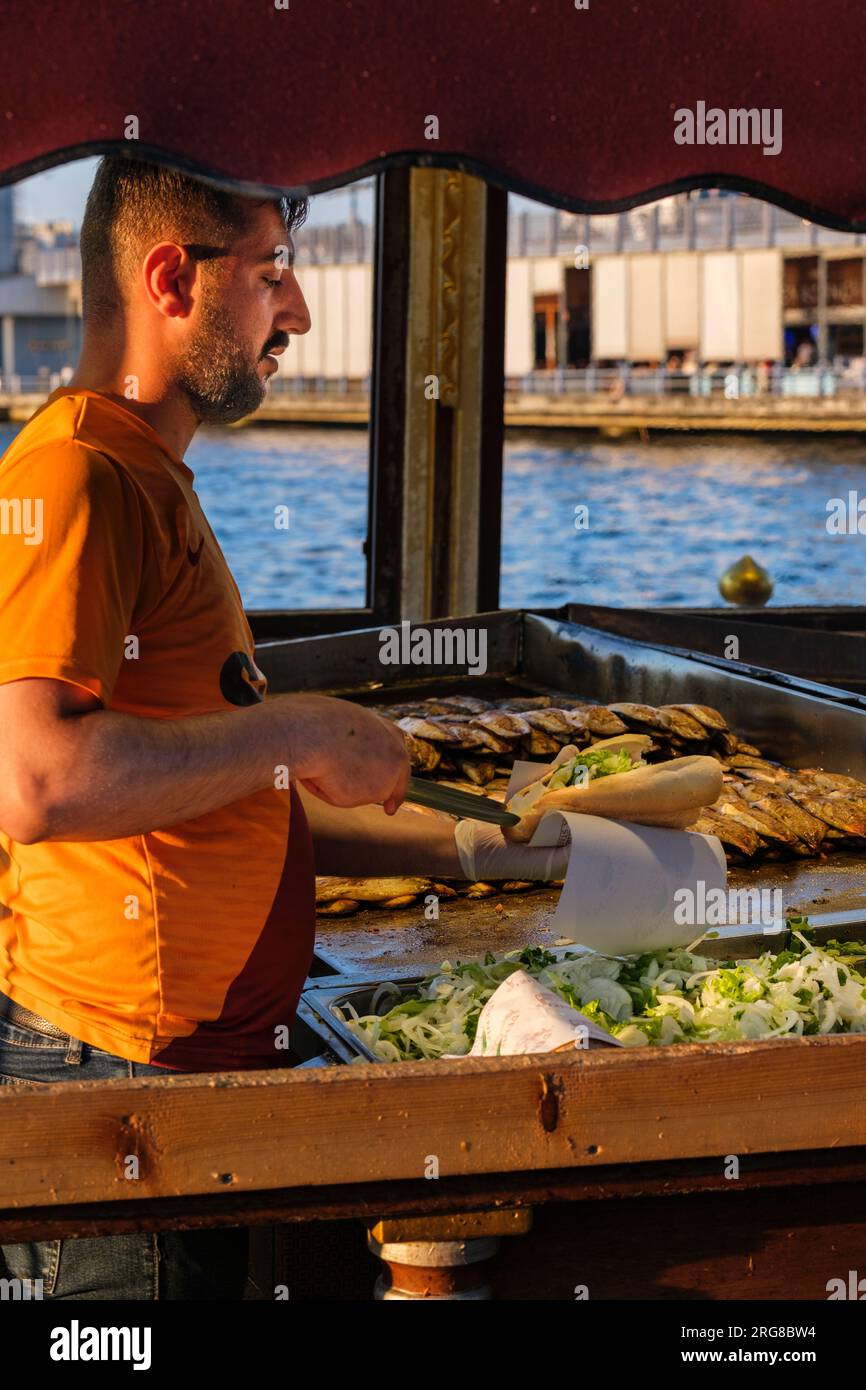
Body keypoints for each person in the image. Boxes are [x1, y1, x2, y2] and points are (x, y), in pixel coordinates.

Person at [0, 155, 569, 1299]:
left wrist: (487, 846)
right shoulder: (78, 476)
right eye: (273, 273)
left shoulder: (146, 476)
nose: (298, 311)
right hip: (115, 1084)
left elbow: (209, 793)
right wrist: (299, 728)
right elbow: (39, 779)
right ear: (172, 279)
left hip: (178, 1078)